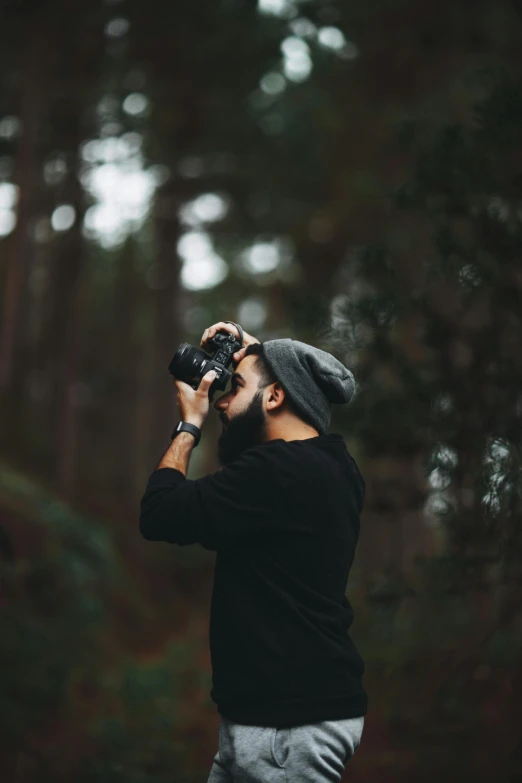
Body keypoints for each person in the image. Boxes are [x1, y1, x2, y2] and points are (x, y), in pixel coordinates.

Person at [139, 321, 368, 782]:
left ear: (275, 397)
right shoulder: (336, 467)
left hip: (285, 729)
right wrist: (255, 353)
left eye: (235, 387)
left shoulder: (275, 472)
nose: (222, 399)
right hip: (285, 716)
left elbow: (160, 512)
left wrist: (189, 424)